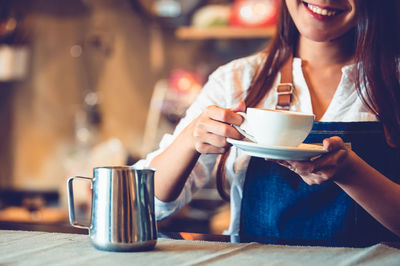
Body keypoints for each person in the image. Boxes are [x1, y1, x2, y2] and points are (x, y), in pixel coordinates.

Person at [135, 0, 400, 246]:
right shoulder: (236, 81)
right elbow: (144, 207)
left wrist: (352, 174)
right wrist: (191, 138)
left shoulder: (394, 82)